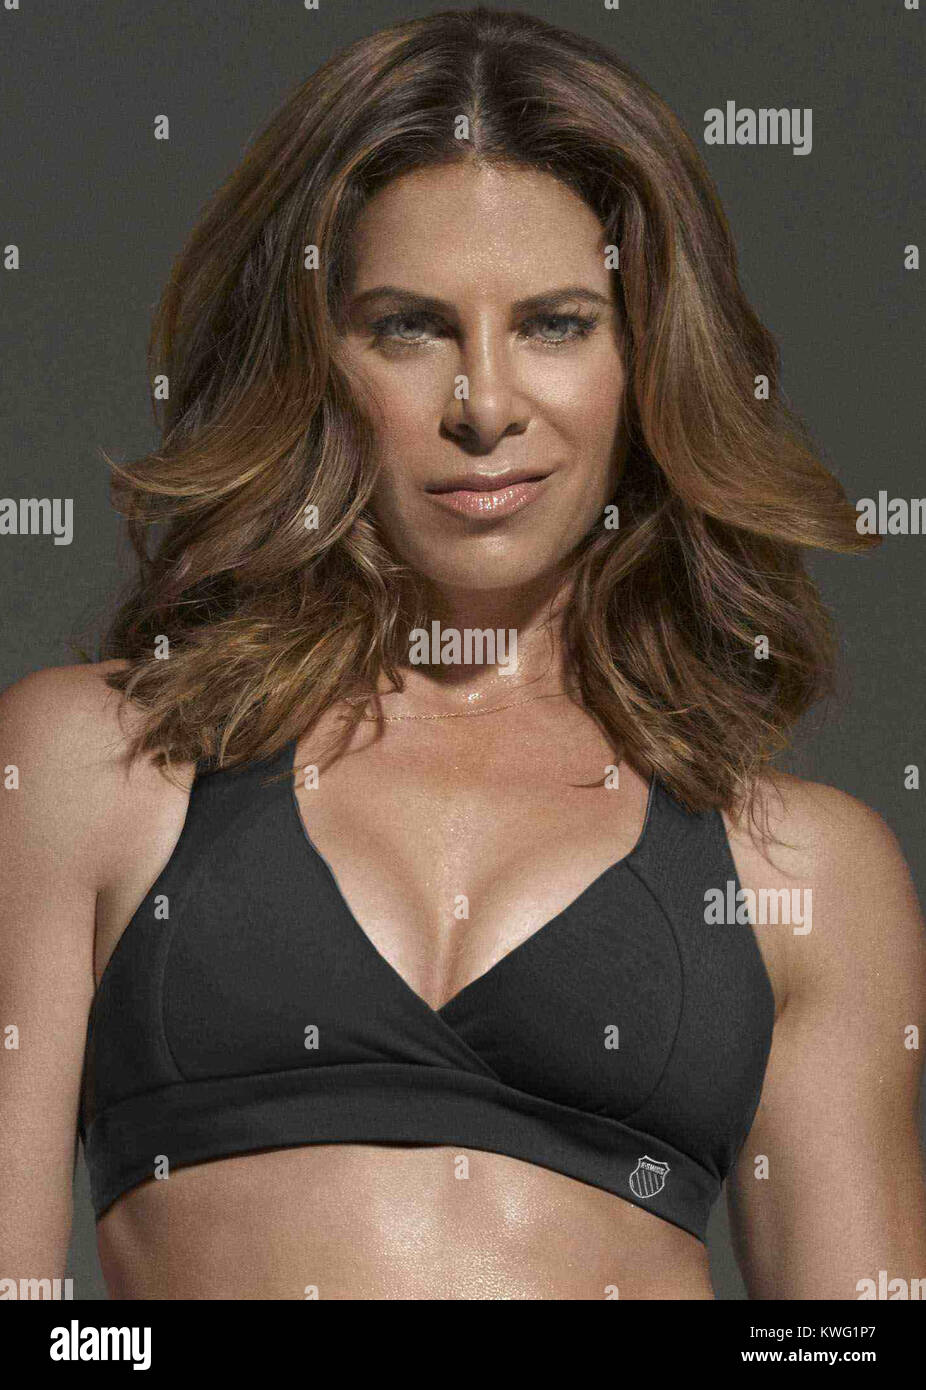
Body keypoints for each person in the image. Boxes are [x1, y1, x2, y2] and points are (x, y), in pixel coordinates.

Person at [2, 7, 924, 1301]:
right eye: (408, 326)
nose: (483, 406)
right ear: (318, 358)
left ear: (642, 353)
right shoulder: (92, 763)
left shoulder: (797, 869)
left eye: (553, 322)